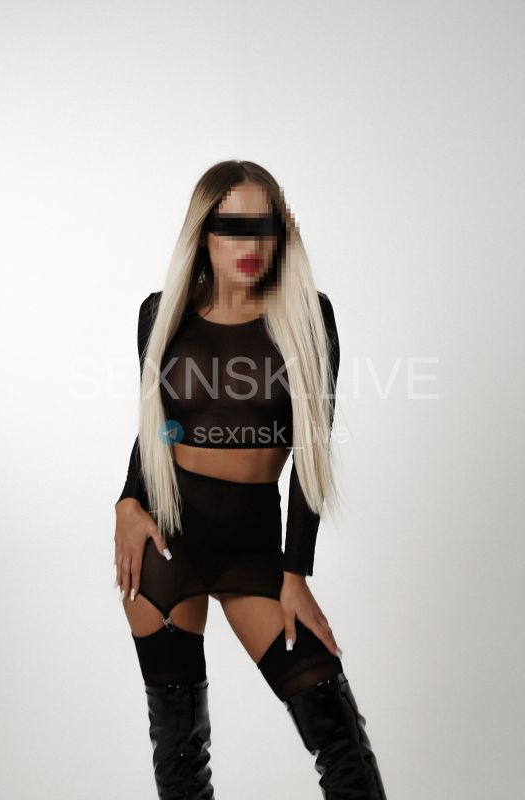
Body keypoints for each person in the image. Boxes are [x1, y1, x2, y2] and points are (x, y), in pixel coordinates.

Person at [114, 160, 388, 799]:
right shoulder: (160, 314)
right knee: (180, 755)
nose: (250, 243)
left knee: (341, 745)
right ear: (202, 232)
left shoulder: (307, 318)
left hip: (256, 554)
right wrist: (128, 500)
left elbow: (312, 457)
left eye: (263, 227)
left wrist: (296, 573)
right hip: (167, 543)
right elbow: (159, 428)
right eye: (232, 227)